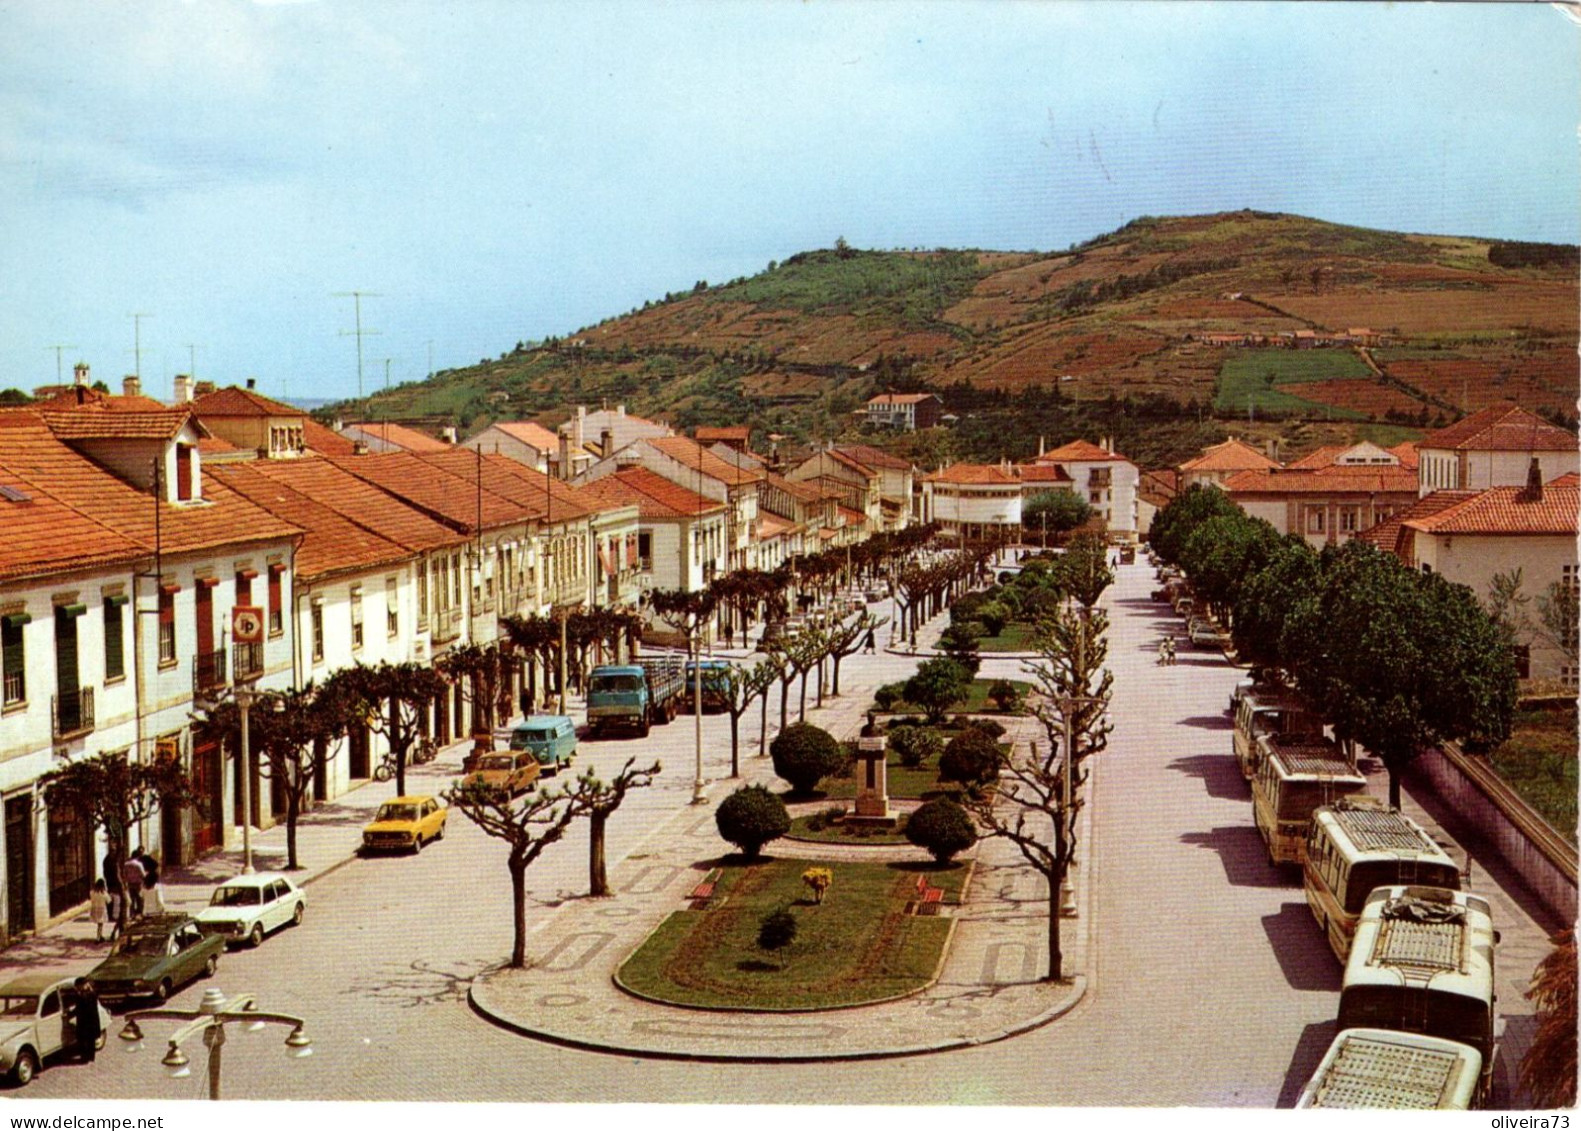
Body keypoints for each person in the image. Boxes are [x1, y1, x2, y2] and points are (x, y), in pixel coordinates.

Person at [69, 978, 101, 1064]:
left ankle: (87, 1057)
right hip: (85, 1020)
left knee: (88, 1040)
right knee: (84, 1039)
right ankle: (87, 1057)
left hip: (89, 1020)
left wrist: (71, 1014)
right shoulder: (86, 993)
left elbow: (81, 1007)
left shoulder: (90, 994)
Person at [137, 848, 163, 915]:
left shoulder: (144, 889)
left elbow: (140, 896)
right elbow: (160, 900)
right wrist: (162, 908)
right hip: (155, 911)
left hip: (146, 911)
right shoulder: (157, 888)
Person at [120, 853, 146, 919]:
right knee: (139, 898)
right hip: (138, 883)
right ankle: (139, 913)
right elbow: (143, 874)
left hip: (130, 883)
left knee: (132, 899)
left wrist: (125, 881)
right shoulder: (139, 864)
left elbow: (124, 874)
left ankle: (132, 913)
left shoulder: (126, 864)